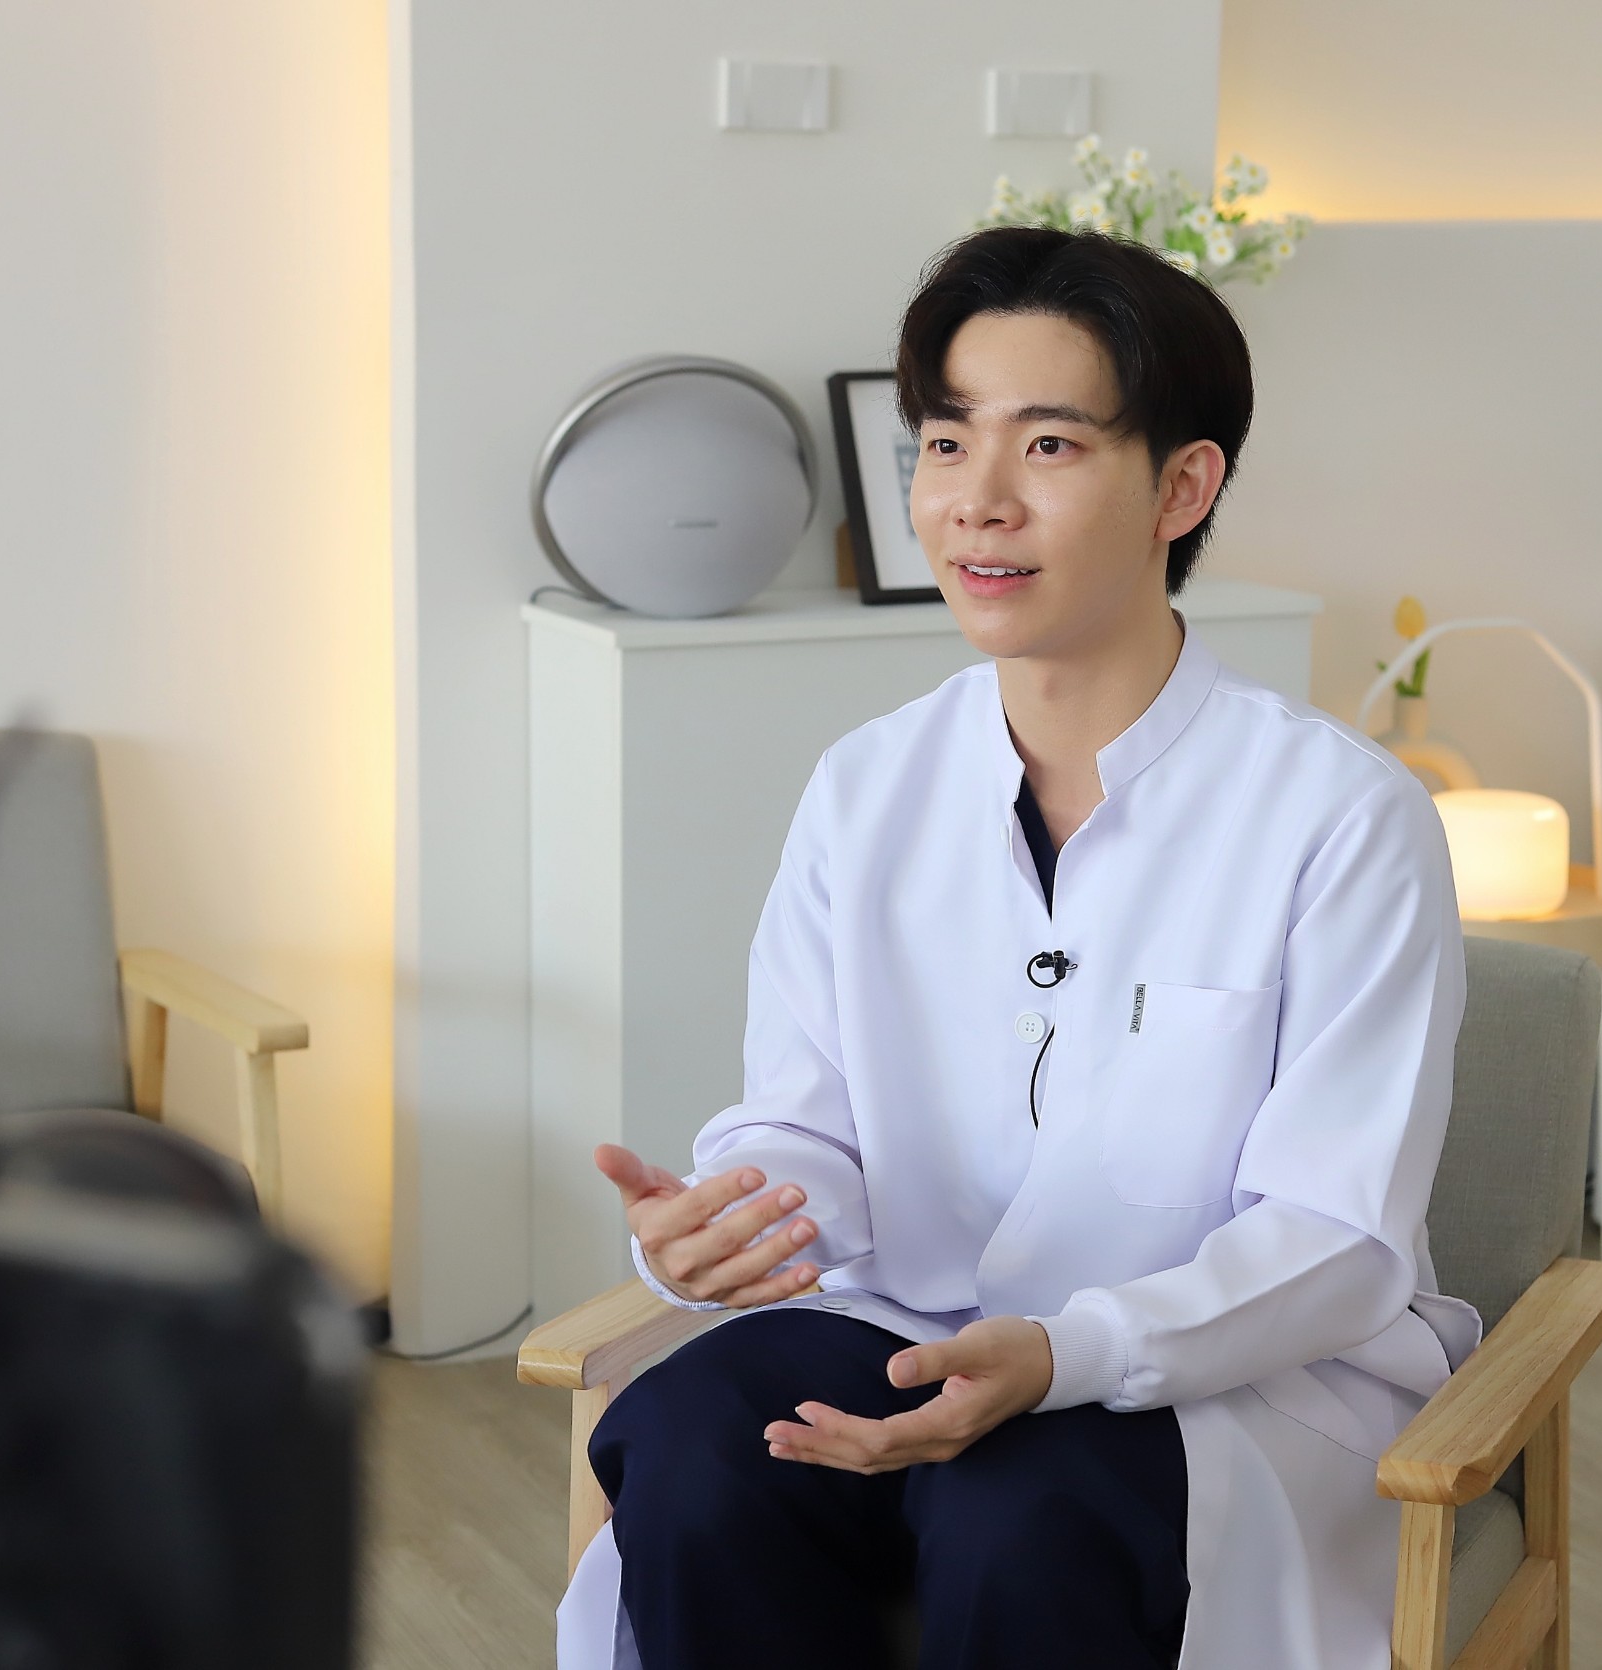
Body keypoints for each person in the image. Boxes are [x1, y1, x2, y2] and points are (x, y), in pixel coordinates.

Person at [560, 226, 1476, 1670]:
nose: (976, 500)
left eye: (1048, 445)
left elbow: (1337, 1238)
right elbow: (807, 1123)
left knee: (1021, 1514)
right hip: (905, 1321)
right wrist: (740, 1217)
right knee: (689, 1436)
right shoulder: (866, 787)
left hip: (1222, 1383)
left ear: (1183, 486)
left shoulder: (1340, 815)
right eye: (946, 442)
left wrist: (1072, 1350)